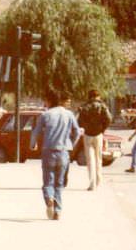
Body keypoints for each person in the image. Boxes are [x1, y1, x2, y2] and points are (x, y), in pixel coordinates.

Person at [30, 89, 80, 220]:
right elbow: (77, 132)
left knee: (48, 182)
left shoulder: (45, 115)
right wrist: (71, 144)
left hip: (48, 151)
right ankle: (58, 210)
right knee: (59, 183)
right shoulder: (69, 114)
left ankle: (49, 199)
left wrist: (33, 144)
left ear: (50, 100)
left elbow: (35, 132)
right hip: (64, 151)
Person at [78, 89, 112, 191]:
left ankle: (92, 184)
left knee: (90, 160)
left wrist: (85, 127)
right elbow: (109, 118)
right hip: (98, 134)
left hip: (88, 135)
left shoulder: (84, 107)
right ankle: (98, 181)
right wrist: (103, 128)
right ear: (98, 96)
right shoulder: (103, 106)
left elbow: (80, 121)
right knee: (98, 158)